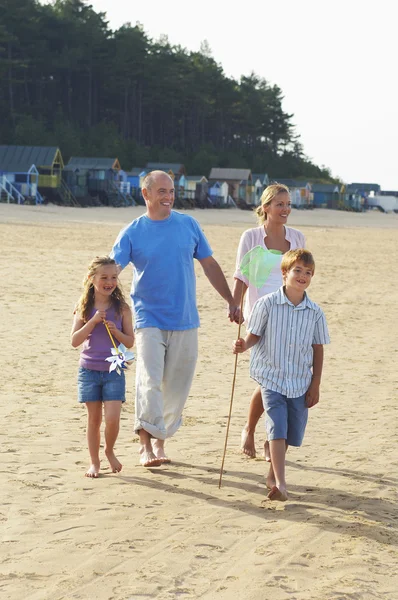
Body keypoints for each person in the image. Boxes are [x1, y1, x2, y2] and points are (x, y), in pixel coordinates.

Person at [110, 170, 239, 467]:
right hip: (148, 317)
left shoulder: (188, 225)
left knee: (177, 386)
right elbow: (111, 271)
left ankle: (161, 439)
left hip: (185, 318)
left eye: (171, 191)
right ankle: (145, 446)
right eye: (162, 191)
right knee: (150, 380)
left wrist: (231, 300)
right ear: (146, 194)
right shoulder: (132, 232)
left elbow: (209, 265)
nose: (168, 197)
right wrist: (93, 303)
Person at [233, 249, 330, 501]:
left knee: (291, 431)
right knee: (277, 426)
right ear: (284, 273)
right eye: (297, 270)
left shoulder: (315, 312)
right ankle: (281, 482)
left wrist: (315, 383)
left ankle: (271, 472)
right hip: (271, 377)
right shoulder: (267, 304)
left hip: (300, 381)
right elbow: (254, 334)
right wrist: (244, 344)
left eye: (308, 273)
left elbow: (318, 348)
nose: (303, 276)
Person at [233, 183, 306, 459]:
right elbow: (242, 275)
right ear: (265, 208)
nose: (285, 209)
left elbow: (301, 275)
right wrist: (234, 305)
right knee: (269, 380)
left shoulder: (297, 238)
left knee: (280, 379)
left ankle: (268, 436)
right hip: (261, 315)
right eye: (279, 204)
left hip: (292, 314)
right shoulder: (251, 237)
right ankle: (253, 431)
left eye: (288, 205)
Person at [71, 256, 135, 478]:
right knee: (94, 419)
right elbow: (74, 341)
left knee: (113, 418)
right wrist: (92, 322)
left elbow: (129, 341)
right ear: (92, 279)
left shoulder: (122, 308)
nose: (110, 282)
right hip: (88, 370)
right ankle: (94, 463)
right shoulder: (84, 306)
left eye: (114, 277)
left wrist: (116, 332)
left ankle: (109, 450)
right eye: (104, 277)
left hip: (113, 371)